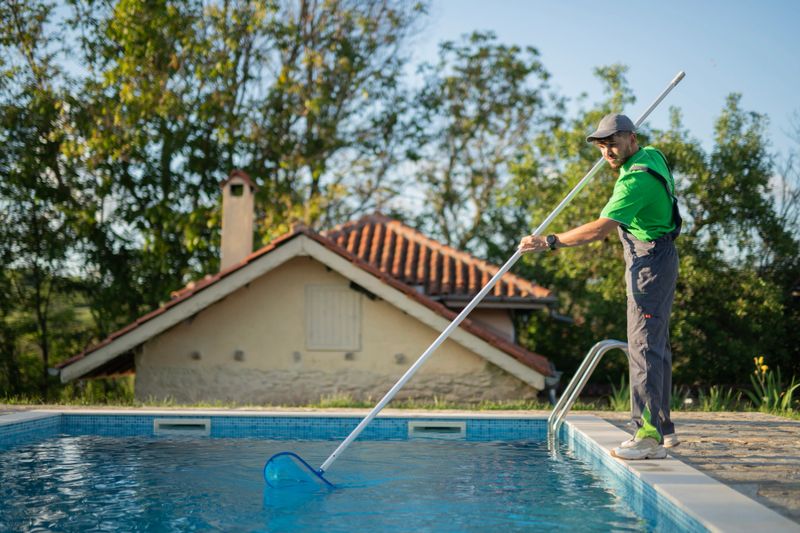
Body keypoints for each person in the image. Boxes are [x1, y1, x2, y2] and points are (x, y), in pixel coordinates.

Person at [519, 113, 681, 460]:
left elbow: (597, 230)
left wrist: (548, 241)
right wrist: (619, 155)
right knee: (656, 345)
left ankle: (647, 435)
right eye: (602, 145)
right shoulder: (651, 156)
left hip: (648, 265)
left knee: (644, 347)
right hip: (660, 256)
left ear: (632, 139)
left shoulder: (634, 183)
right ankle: (663, 429)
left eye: (614, 142)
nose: (607, 151)